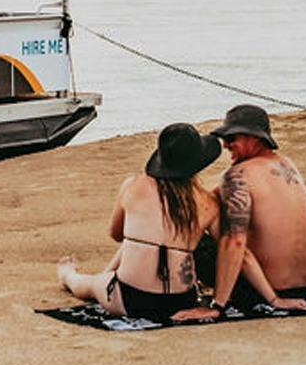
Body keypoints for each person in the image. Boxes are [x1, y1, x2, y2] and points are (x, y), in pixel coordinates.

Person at [55, 122, 226, 323]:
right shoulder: (209, 203)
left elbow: (116, 234)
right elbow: (227, 249)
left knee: (91, 284)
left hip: (130, 299)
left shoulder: (133, 185)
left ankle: (68, 275)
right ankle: (105, 274)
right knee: (151, 241)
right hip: (181, 301)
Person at [174, 104, 306, 321]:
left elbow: (235, 241)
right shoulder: (286, 164)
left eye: (231, 138)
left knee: (200, 238)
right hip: (305, 284)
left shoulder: (236, 176)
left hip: (265, 289)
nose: (225, 145)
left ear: (254, 138)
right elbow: (214, 200)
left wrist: (217, 306)